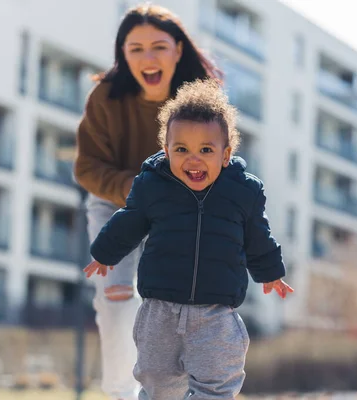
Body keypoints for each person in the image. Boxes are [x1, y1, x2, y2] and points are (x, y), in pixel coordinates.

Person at [84, 79, 294, 400]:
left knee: (216, 385)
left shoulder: (243, 192)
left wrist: (270, 272)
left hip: (216, 315)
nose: (193, 159)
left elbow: (258, 236)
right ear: (166, 151)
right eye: (181, 149)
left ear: (225, 155)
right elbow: (129, 221)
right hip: (159, 313)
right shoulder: (152, 186)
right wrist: (104, 252)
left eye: (206, 150)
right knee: (157, 383)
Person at [73, 4, 221, 399]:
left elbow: (220, 158)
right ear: (123, 54)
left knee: (174, 306)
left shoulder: (201, 100)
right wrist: (140, 191)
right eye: (134, 48)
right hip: (114, 203)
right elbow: (87, 167)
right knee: (116, 299)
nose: (147, 58)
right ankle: (120, 393)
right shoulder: (106, 97)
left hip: (180, 212)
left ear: (177, 50)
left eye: (158, 46)